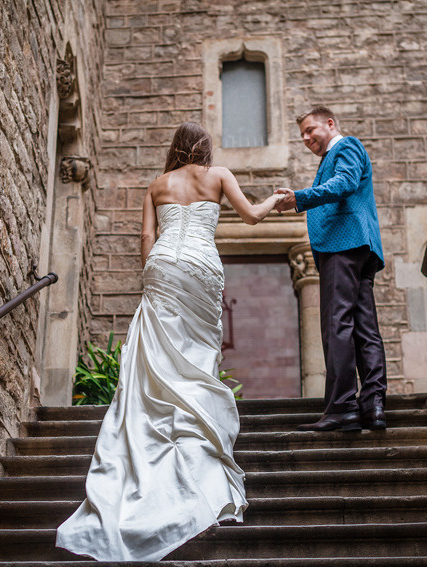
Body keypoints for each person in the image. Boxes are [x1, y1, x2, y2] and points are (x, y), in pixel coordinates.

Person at [55, 122, 284, 561]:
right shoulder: (217, 176)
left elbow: (146, 236)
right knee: (195, 355)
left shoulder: (158, 184)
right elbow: (253, 216)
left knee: (160, 352)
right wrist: (277, 197)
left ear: (175, 148)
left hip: (162, 265)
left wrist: (152, 278)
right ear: (204, 148)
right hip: (200, 265)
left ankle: (155, 420)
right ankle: (194, 426)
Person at [275, 106, 388, 432]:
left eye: (311, 130)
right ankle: (373, 405)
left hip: (344, 244)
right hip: (359, 248)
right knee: (363, 324)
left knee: (336, 323)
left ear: (330, 123)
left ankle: (341, 406)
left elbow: (346, 183)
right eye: (303, 136)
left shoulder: (346, 146)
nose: (307, 138)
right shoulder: (333, 155)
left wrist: (300, 198)